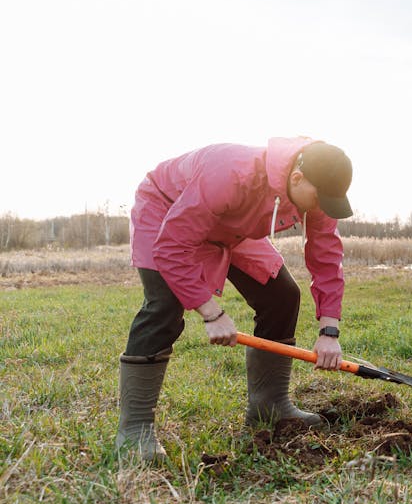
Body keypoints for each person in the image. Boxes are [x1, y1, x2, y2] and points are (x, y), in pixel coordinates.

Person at [116, 137, 353, 462]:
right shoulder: (231, 174)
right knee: (165, 307)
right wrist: (212, 313)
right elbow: (171, 247)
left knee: (282, 295)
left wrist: (330, 331)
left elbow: (326, 255)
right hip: (167, 212)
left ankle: (269, 406)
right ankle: (135, 430)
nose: (323, 206)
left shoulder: (316, 193)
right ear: (296, 178)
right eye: (320, 197)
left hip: (230, 228)